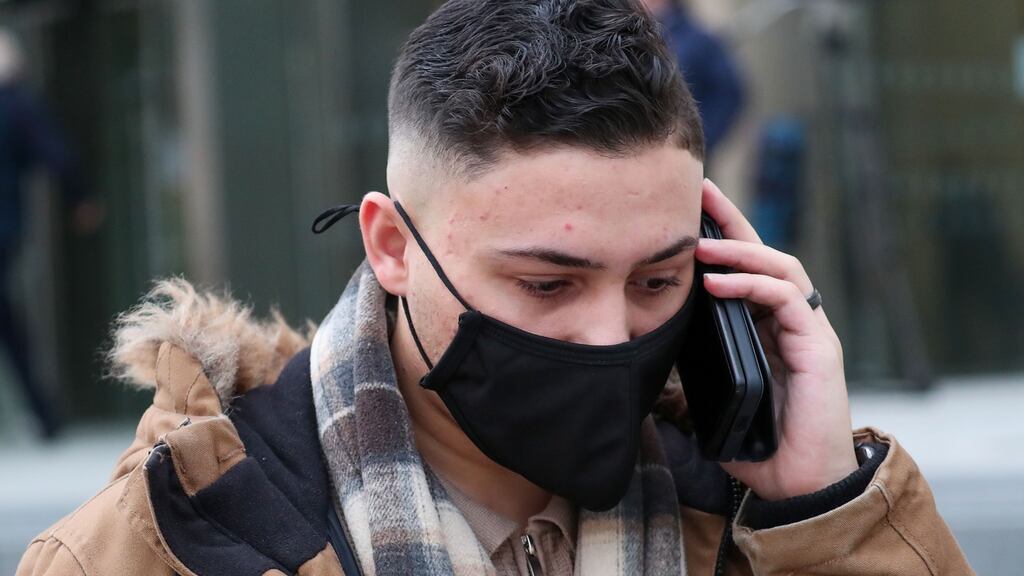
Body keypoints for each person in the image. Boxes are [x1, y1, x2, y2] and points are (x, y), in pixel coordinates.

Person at [18, 1, 973, 575]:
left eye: (659, 277)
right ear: (392, 245)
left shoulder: (757, 511)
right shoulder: (155, 542)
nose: (612, 335)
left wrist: (825, 517)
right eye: (548, 283)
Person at [0, 29, 99, 440]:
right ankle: (45, 414)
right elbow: (57, 154)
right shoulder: (18, 105)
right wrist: (81, 197)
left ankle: (45, 414)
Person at [640, 0, 745, 159]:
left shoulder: (700, 41)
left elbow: (728, 93)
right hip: (631, 151)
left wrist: (698, 140)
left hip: (681, 154)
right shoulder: (620, 32)